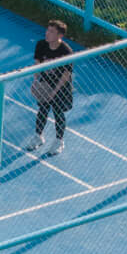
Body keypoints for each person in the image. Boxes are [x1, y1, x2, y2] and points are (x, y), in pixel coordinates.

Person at [27, 21, 77, 155]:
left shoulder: (66, 51)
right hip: (45, 83)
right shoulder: (41, 44)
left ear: (60, 36)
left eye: (51, 32)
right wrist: (35, 81)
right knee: (42, 109)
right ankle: (38, 136)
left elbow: (66, 74)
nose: (47, 33)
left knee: (58, 112)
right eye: (47, 30)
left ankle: (59, 141)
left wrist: (54, 92)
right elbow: (38, 64)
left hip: (61, 86)